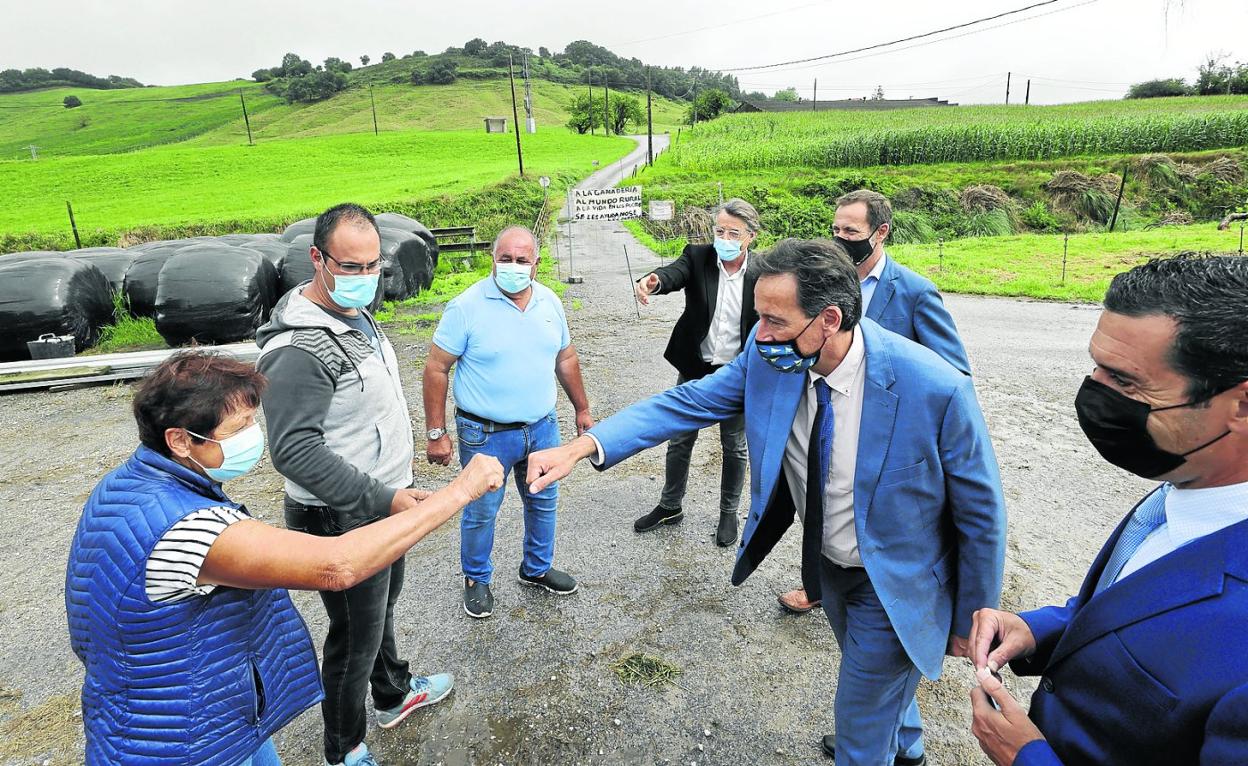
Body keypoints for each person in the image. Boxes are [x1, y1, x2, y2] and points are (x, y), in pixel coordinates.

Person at [525, 239, 1007, 766]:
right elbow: (688, 401)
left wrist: (972, 616)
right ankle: (905, 741)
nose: (759, 334)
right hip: (826, 564)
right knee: (873, 677)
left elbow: (980, 510)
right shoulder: (769, 357)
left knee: (859, 727)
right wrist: (583, 446)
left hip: (895, 581)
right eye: (757, 317)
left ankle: (875, 744)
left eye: (775, 320)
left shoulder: (935, 388)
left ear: (828, 319)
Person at [65, 352, 502, 766]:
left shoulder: (133, 484)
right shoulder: (183, 527)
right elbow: (338, 566)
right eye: (239, 427)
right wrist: (459, 491)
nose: (254, 436)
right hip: (187, 741)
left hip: (196, 715)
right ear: (180, 440)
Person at [967, 254, 1248, 766]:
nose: (1094, 394)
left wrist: (1027, 758)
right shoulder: (1190, 481)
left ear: (1241, 405)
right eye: (1095, 366)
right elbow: (1135, 608)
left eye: (1126, 381)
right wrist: (1041, 631)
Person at [255, 203, 455, 766]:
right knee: (352, 639)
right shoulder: (298, 348)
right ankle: (343, 749)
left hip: (380, 500)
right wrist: (384, 497)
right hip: (343, 514)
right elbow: (293, 451)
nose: (365, 278)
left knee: (381, 608)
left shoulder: (352, 313)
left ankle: (392, 695)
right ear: (317, 259)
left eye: (373, 266)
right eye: (351, 266)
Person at [779, 188, 971, 617]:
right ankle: (819, 584)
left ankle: (895, 599)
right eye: (835, 229)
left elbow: (954, 375)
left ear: (880, 232)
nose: (840, 237)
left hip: (887, 433)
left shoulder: (915, 293)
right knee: (823, 500)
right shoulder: (823, 280)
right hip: (832, 417)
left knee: (877, 521)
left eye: (851, 230)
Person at [423, 225, 594, 619]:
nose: (513, 267)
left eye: (522, 261)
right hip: (485, 432)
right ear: (493, 260)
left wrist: (581, 408)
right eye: (505, 259)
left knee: (543, 499)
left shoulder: (550, 302)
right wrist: (436, 432)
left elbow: (565, 359)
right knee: (482, 509)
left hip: (542, 426)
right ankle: (476, 578)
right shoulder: (466, 307)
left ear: (535, 265)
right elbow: (436, 368)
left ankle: (536, 568)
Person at [631, 198, 761, 546]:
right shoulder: (699, 256)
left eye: (734, 232)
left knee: (734, 446)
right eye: (720, 230)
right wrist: (654, 281)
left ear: (750, 236)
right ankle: (670, 504)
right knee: (680, 438)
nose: (725, 237)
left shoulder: (764, 271)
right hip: (695, 367)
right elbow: (674, 273)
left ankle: (728, 513)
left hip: (736, 373)